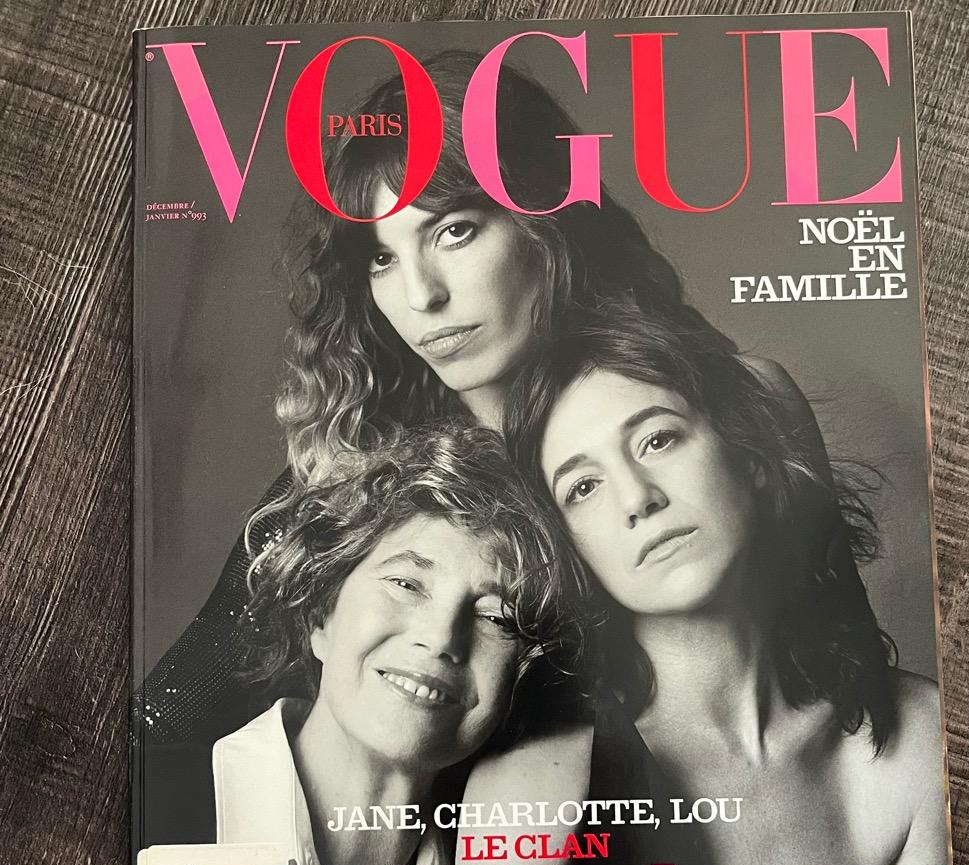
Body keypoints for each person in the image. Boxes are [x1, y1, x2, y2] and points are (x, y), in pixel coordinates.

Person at [135, 48, 784, 748]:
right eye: (382, 258)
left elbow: (845, 679)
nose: (421, 296)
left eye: (453, 231)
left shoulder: (734, 408)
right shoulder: (350, 487)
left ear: (547, 215)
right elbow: (160, 730)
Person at [453, 303, 959, 865]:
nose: (637, 499)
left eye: (657, 439)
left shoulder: (916, 740)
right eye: (583, 487)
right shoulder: (531, 789)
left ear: (749, 453)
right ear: (572, 548)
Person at [149, 420, 579, 865]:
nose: (441, 637)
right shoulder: (143, 816)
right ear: (320, 612)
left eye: (496, 616)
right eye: (407, 583)